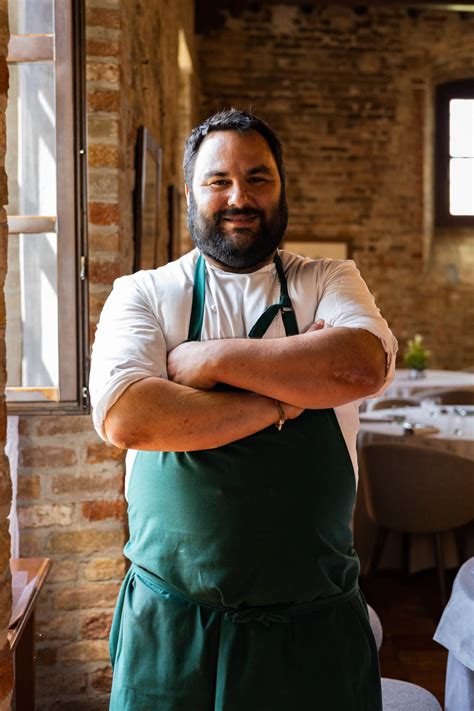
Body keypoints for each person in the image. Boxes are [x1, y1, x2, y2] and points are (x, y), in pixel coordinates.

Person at [89, 109, 397, 711]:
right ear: (191, 192)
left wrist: (204, 362)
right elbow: (132, 418)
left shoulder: (329, 278)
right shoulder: (144, 292)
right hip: (171, 629)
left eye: (259, 178)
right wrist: (287, 397)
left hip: (313, 626)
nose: (239, 197)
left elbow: (359, 366)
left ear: (281, 188)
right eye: (218, 180)